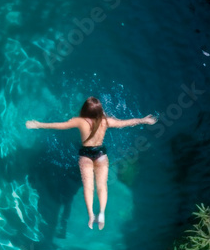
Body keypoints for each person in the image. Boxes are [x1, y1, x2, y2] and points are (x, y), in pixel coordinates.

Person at [26, 97, 156, 229]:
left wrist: (38, 124)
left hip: (86, 155)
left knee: (89, 187)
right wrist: (144, 120)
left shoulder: (80, 121)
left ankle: (91, 215)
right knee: (102, 186)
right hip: (100, 154)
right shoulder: (105, 121)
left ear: (84, 110)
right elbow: (125, 123)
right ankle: (102, 214)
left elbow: (60, 126)